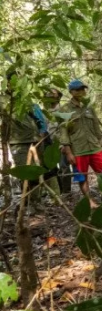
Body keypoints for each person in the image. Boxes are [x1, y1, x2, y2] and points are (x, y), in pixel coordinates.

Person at [59, 79, 102, 208]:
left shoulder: (89, 107)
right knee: (82, 177)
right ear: (71, 92)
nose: (81, 92)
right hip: (78, 149)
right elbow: (63, 132)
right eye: (78, 90)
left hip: (94, 146)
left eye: (83, 89)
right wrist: (69, 152)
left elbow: (96, 126)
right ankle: (89, 201)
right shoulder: (65, 109)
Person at [6, 73, 45, 213]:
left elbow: (40, 119)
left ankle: (36, 201)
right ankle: (27, 203)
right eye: (13, 81)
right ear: (8, 84)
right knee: (25, 173)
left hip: (35, 140)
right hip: (18, 142)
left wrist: (42, 133)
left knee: (36, 171)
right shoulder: (5, 102)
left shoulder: (28, 100)